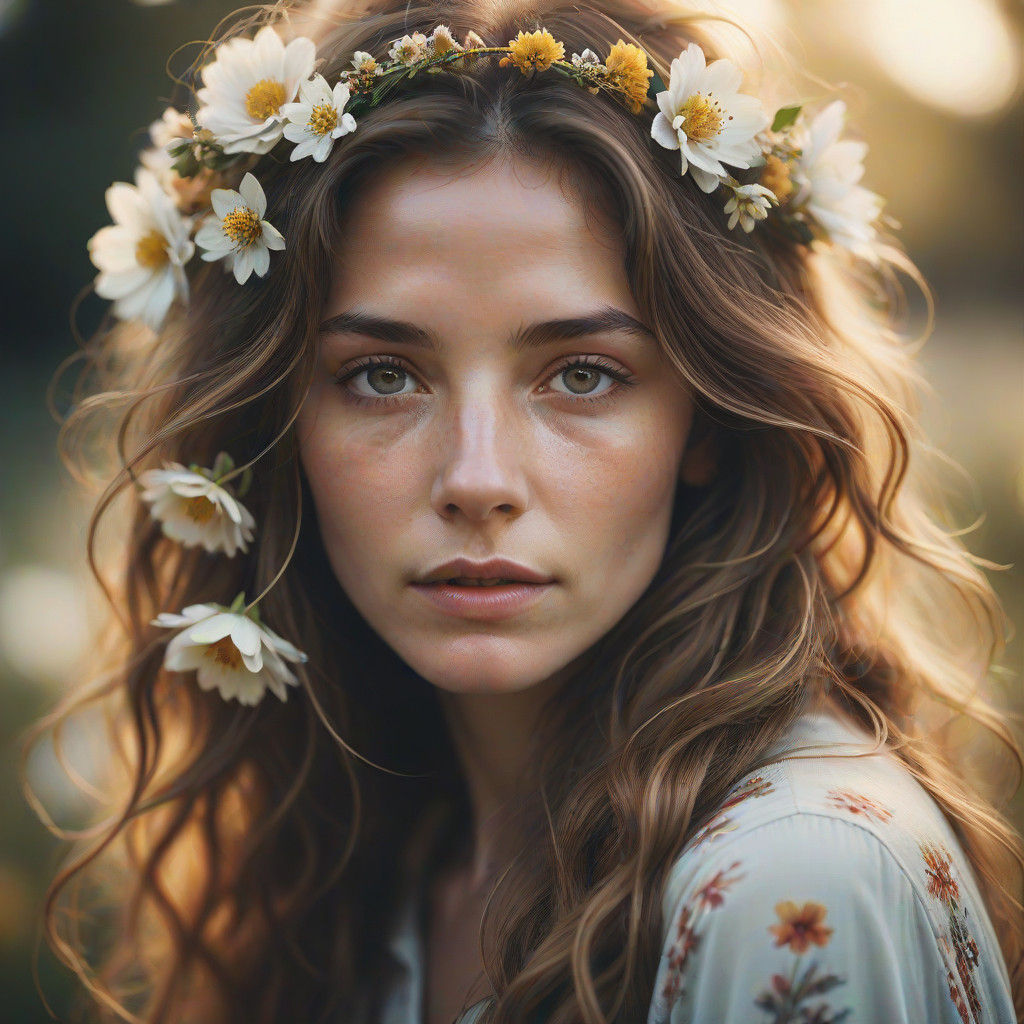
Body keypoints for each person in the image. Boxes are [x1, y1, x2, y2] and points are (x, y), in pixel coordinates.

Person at [23, 0, 1023, 1022]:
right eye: (379, 376)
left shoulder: (793, 882)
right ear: (272, 424)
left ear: (712, 420)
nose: (476, 476)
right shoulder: (373, 860)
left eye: (581, 374)